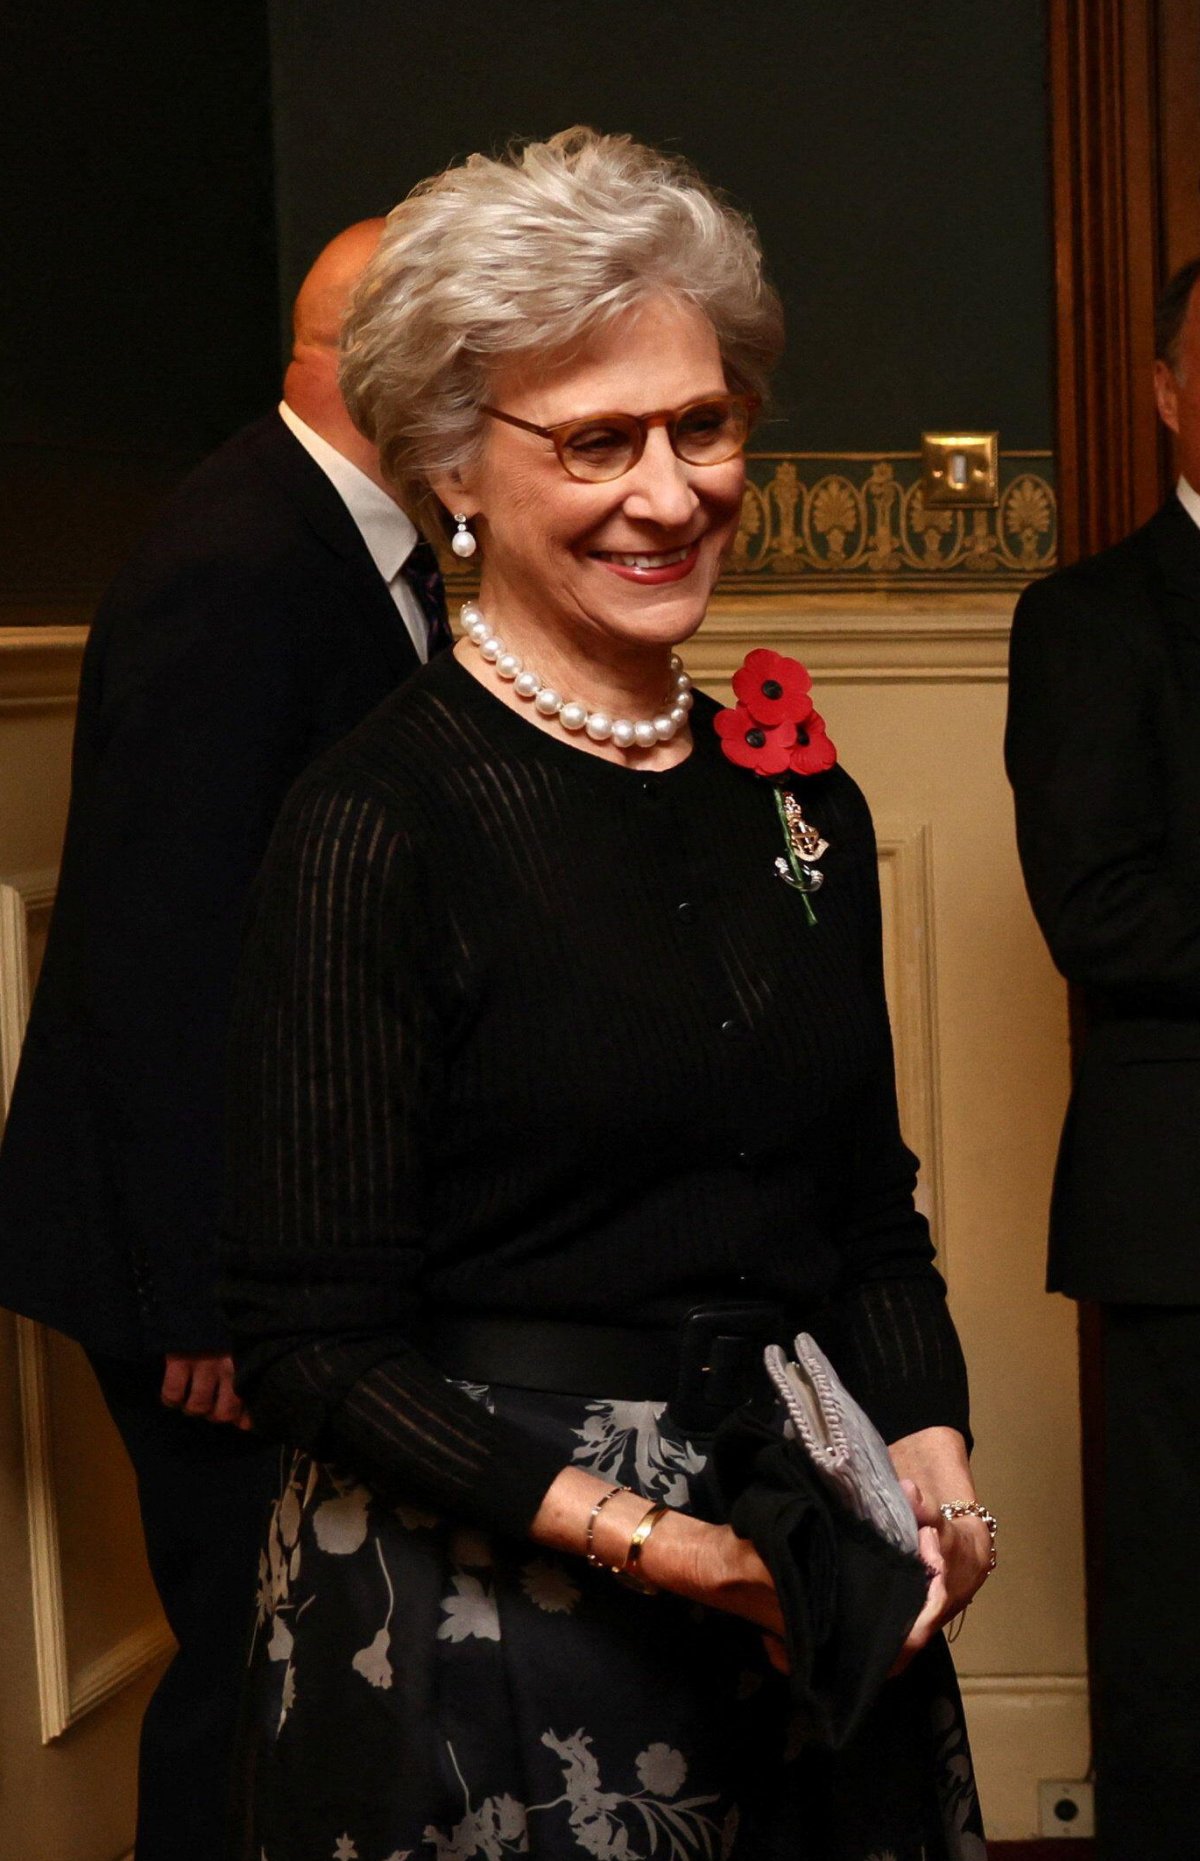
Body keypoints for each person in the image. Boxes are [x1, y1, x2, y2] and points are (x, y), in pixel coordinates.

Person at [222, 129, 992, 1861]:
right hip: (492, 1606)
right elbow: (310, 1345)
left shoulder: (796, 803)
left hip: (794, 1564)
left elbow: (865, 1214)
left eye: (701, 425)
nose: (670, 492)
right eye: (597, 440)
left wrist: (934, 1466)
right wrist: (655, 1541)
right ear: (454, 467)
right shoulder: (375, 821)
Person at [0, 221, 446, 1861]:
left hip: (264, 1233)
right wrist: (203, 1291)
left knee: (309, 1651)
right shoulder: (244, 556)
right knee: (246, 1662)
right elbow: (157, 948)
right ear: (386, 367)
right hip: (191, 1263)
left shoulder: (357, 536)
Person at [1006, 254, 1200, 1861]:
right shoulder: (1085, 621)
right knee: (1183, 1627)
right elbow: (1107, 915)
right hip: (1188, 1203)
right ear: (1165, 391)